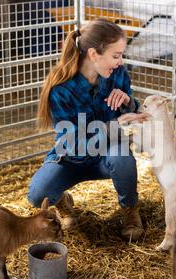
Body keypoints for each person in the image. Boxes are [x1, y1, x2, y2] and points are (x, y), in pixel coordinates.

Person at [27, 19, 150, 241]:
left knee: (122, 156)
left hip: (108, 156)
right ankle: (63, 202)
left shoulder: (118, 75)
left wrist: (129, 101)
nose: (120, 62)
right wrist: (117, 125)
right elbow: (74, 144)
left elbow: (133, 108)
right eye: (116, 55)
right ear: (93, 55)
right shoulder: (60, 90)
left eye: (121, 55)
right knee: (37, 195)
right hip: (73, 159)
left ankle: (131, 211)